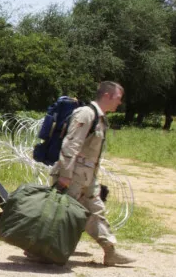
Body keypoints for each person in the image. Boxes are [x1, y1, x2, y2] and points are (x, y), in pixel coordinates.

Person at [48, 81, 135, 266]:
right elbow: (71, 144)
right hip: (73, 176)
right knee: (63, 215)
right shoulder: (86, 114)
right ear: (107, 96)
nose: (120, 103)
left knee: (96, 212)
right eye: (118, 98)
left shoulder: (100, 118)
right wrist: (65, 174)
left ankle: (110, 252)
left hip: (87, 178)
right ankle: (38, 249)